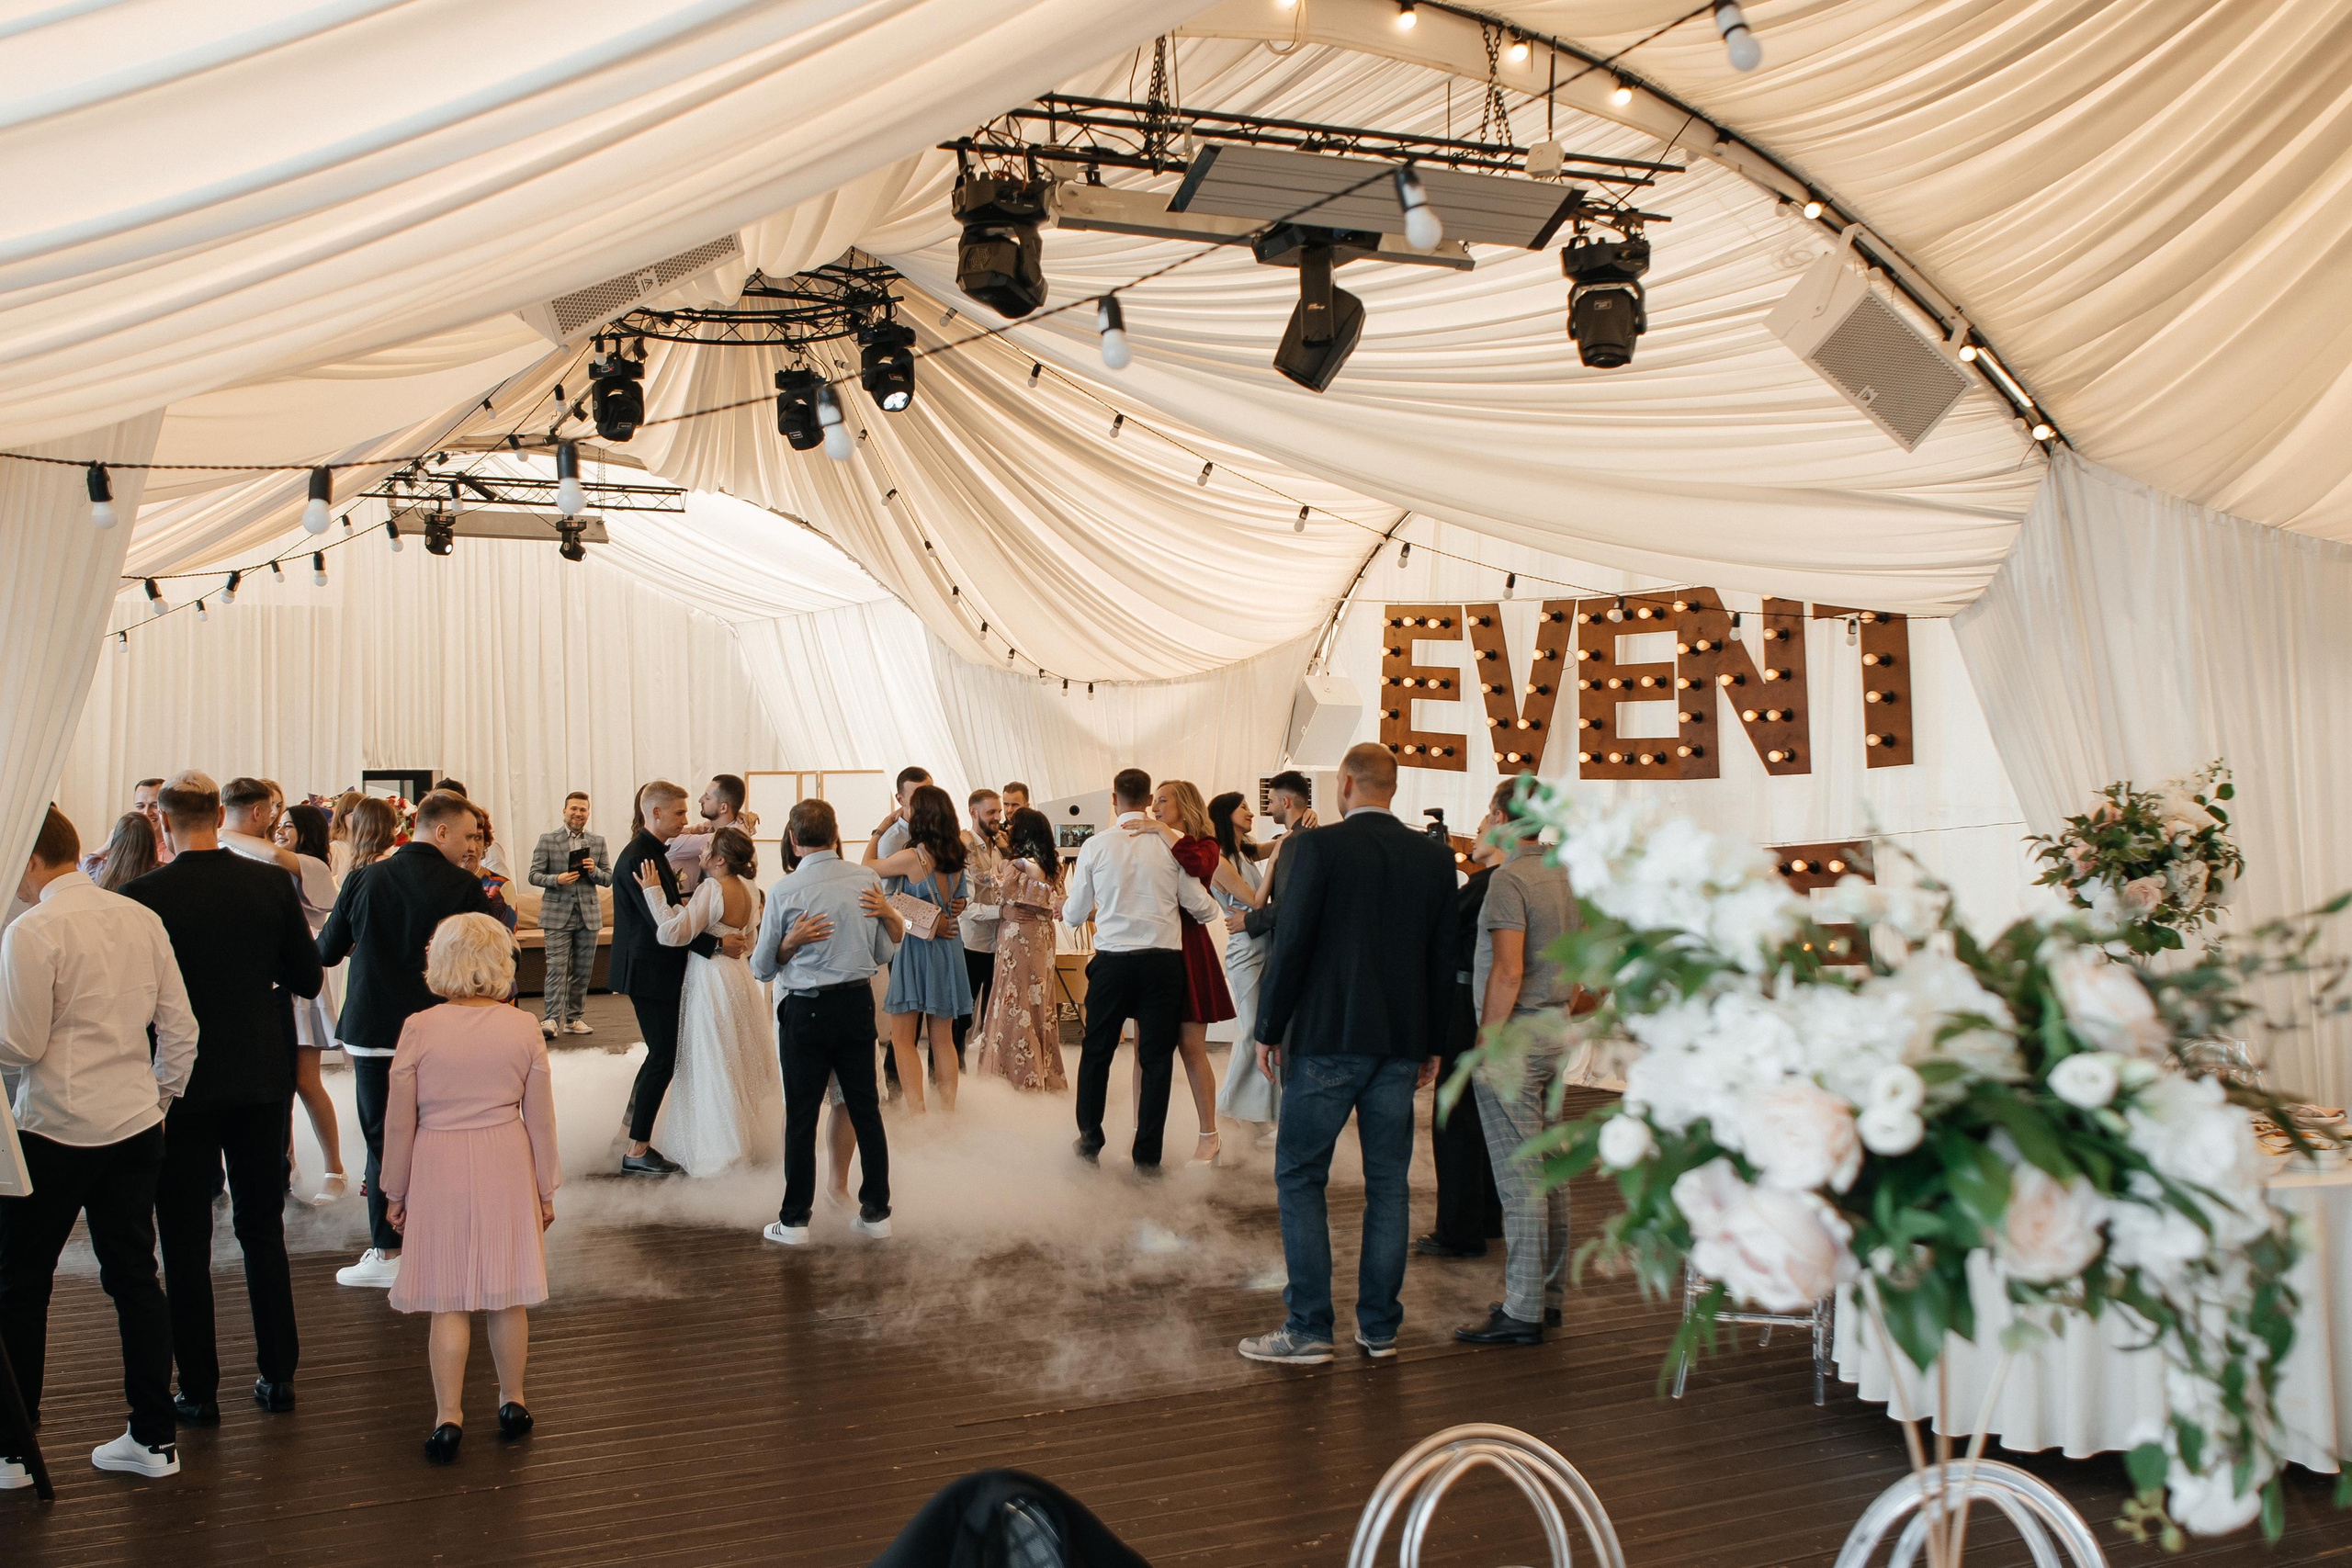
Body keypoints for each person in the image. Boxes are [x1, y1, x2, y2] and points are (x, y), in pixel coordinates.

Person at [1238, 743, 1455, 1365]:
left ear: (1348, 786)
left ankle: (1308, 1327)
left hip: (1326, 1037)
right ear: (1392, 786)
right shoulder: (1434, 858)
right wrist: (1433, 1042)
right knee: (1389, 1184)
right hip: (1399, 1042)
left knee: (1301, 1176)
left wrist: (1267, 1026)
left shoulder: (1316, 848)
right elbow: (1442, 958)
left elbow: (1294, 941)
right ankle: (1379, 1328)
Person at [0, 807, 198, 1483]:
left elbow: (21, 1045)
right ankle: (154, 1439)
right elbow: (181, 1028)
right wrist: (161, 1099)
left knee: (20, 1285)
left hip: (55, 1127)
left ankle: (13, 1451)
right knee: (137, 1279)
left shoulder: (32, 929)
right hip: (135, 1123)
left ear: (29, 860)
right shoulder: (138, 916)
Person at [122, 773, 325, 1418]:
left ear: (163, 822)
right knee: (261, 1225)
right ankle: (278, 1374)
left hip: (180, 1084)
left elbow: (135, 1002)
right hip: (262, 1076)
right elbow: (308, 978)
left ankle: (199, 1389)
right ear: (220, 814)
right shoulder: (267, 884)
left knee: (184, 1237)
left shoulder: (144, 896)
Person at [380, 913, 560, 1464]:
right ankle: (513, 1401)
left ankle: (448, 1417)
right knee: (508, 1294)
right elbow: (542, 1119)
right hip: (506, 1156)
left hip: (439, 1159)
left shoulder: (419, 1027)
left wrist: (395, 1189)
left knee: (449, 1300)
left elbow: (399, 1120)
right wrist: (545, 1187)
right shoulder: (523, 1027)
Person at [317, 790, 495, 1289]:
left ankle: (388, 1251)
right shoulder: (463, 886)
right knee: (441, 1136)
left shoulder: (365, 878)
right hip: (441, 1028)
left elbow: (328, 952)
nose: (470, 846)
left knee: (382, 1140)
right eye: (466, 836)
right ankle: (447, 1243)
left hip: (374, 1030)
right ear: (439, 831)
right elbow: (484, 963)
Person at [1453, 784, 1583, 1348]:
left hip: (1516, 1035)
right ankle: (1547, 1297)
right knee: (1549, 1168)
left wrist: (1487, 1041)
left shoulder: (1508, 879)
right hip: (1555, 1027)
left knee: (1519, 1178)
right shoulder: (1563, 871)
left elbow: (1506, 970)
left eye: (1488, 812)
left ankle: (1523, 1308)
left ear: (1504, 818)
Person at [752, 798, 905, 1244]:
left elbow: (762, 968)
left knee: (801, 1116)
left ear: (794, 841)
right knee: (865, 1110)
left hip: (807, 1009)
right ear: (836, 836)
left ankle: (795, 1220)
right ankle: (876, 1213)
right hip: (857, 1004)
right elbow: (882, 953)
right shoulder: (866, 878)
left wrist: (787, 944)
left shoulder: (783, 891)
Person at [1062, 768, 1223, 1171]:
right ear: (1149, 799)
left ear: (1113, 801)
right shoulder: (1170, 846)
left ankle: (1089, 1142)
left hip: (1112, 964)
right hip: (1162, 965)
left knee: (1096, 1053)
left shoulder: (1096, 846)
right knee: (1156, 1060)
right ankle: (1147, 1158)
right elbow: (1204, 908)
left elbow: (1074, 913)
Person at [633, 826, 782, 1176]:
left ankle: (721, 1148)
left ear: (719, 859)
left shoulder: (712, 887)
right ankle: (746, 1140)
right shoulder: (747, 887)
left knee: (713, 1056)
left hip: (712, 978)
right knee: (737, 1056)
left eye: (707, 848)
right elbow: (748, 937)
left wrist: (654, 894)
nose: (701, 851)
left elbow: (673, 933)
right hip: (739, 977)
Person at [610, 780, 741, 1175]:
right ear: (656, 813)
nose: (687, 820)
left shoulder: (651, 852)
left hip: (654, 967)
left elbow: (671, 913)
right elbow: (664, 925)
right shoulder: (641, 858)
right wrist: (715, 947)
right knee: (663, 1056)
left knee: (660, 1054)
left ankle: (626, 1134)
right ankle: (635, 1149)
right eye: (680, 813)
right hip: (649, 969)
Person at [1122, 781, 1235, 1166]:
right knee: (1142, 1049)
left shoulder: (1205, 843)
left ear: (1183, 805)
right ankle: (1141, 1131)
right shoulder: (1152, 840)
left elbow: (1198, 865)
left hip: (1189, 949)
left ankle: (1209, 1135)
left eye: (1163, 800)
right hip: (1152, 946)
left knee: (1191, 1048)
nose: (1154, 807)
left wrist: (1164, 832)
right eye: (1153, 800)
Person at [1418, 792, 1509, 1261]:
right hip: (1496, 1009)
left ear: (1499, 823)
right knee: (1484, 1115)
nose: (1472, 837)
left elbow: (1436, 927)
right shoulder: (1523, 880)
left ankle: (1459, 1227)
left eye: (1480, 825)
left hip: (1467, 1006)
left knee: (1455, 1118)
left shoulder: (1491, 882)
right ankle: (1486, 1215)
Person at [865, 784, 970, 1114]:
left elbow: (867, 865)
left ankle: (918, 1114)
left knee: (902, 1037)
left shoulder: (913, 857)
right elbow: (961, 900)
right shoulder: (955, 854)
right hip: (948, 947)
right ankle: (949, 1112)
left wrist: (880, 829)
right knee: (943, 1037)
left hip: (916, 948)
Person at [268, 803, 347, 1205]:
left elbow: (271, 853)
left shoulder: (310, 866)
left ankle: (335, 1168)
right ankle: (289, 1164)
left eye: (288, 826)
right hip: (275, 981)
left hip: (303, 983)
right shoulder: (270, 868)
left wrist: (226, 828)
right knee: (280, 1086)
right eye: (277, 826)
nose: (279, 832)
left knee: (305, 1081)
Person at [970, 807, 1068, 1092]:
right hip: (1043, 935)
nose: (1005, 829)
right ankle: (1043, 1072)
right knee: (1039, 1001)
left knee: (1014, 1001)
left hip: (1017, 936)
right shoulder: (1054, 865)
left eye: (1011, 826)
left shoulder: (1014, 866)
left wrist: (1002, 864)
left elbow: (995, 887)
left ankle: (1016, 1076)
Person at [1207, 791, 1279, 1132]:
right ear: (1226, 814)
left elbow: (1277, 842)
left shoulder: (1243, 853)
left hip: (1262, 945)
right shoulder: (1219, 859)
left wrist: (1303, 821)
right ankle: (1225, 1108)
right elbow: (1255, 899)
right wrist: (1276, 859)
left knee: (1263, 1030)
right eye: (1244, 808)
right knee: (1250, 1029)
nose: (1251, 813)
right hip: (1245, 952)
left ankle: (1257, 1112)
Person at [528, 791, 609, 1039]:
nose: (578, 813)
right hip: (556, 915)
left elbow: (608, 878)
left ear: (588, 813)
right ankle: (551, 1019)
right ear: (564, 811)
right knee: (556, 968)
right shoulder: (547, 840)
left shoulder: (597, 841)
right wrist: (557, 879)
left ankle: (574, 1019)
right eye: (573, 808)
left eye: (583, 809)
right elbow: (533, 875)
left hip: (589, 916)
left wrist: (594, 870)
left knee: (583, 970)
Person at [949, 788, 1005, 1062]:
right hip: (972, 943)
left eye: (999, 811)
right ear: (973, 812)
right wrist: (1003, 911)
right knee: (963, 1017)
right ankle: (954, 1072)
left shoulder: (1001, 846)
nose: (998, 817)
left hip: (1001, 942)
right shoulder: (963, 845)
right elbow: (966, 906)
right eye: (991, 812)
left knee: (996, 1015)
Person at [667, 773, 754, 894]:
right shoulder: (723, 830)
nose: (700, 800)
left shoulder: (731, 840)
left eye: (707, 798)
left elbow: (669, 841)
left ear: (723, 808)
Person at [89, 811, 162, 893]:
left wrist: (106, 846)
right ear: (151, 841)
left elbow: (85, 862)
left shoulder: (99, 871)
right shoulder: (162, 875)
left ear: (114, 839)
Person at [326, 789, 368, 881]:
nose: (359, 819)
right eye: (353, 815)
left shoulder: (370, 847)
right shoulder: (334, 849)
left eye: (363, 814)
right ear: (342, 817)